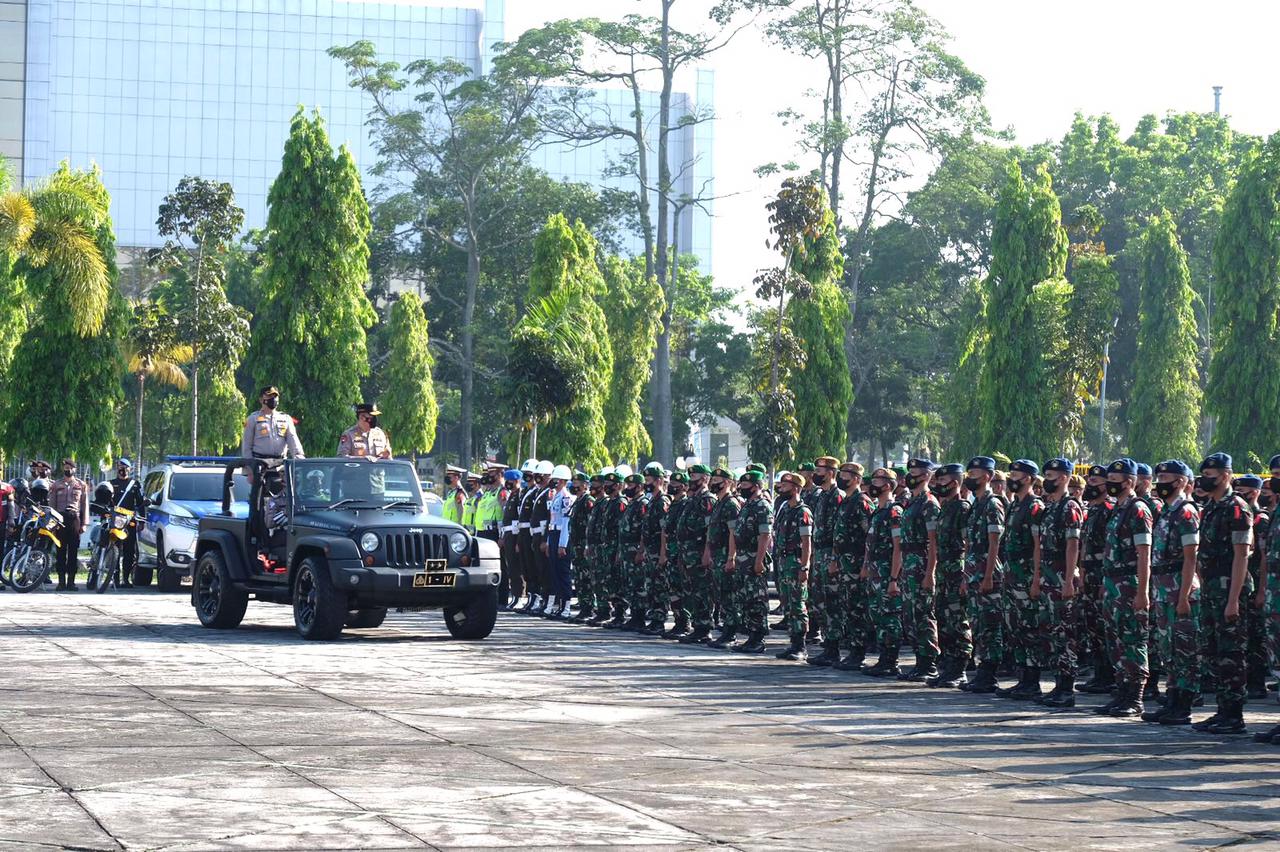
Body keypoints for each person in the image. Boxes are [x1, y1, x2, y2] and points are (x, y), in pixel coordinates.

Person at [1192, 453, 1252, 734]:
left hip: (1230, 589)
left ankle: (1234, 714)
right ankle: (1222, 710)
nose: (1206, 478)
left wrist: (1233, 600)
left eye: (1211, 473)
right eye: (1204, 473)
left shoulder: (1237, 508)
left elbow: (1242, 557)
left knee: (1231, 653)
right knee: (1214, 651)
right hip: (1212, 589)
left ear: (1227, 475)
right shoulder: (1211, 507)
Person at [1092, 458, 1153, 718]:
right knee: (1114, 640)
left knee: (1132, 639)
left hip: (1130, 583)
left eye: (1114, 481)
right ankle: (1121, 692)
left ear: (1129, 482)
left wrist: (1142, 592)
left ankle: (1135, 697)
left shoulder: (1138, 509)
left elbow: (1144, 553)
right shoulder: (1117, 509)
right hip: (1113, 581)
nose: (1109, 485)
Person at [1142, 460, 1201, 726]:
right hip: (1163, 586)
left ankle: (1183, 705)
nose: (1160, 481)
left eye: (1165, 477)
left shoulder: (1186, 512)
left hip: (1180, 587)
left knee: (1184, 649)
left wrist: (1184, 595)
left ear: (1180, 481)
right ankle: (1173, 699)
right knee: (1168, 647)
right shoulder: (1166, 512)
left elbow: (1191, 558)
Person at [1033, 458, 1083, 707]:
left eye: (1051, 475)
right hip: (1047, 575)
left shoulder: (1070, 507)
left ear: (1064, 478)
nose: (1047, 480)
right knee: (1050, 632)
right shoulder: (1050, 507)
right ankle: (1057, 684)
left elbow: (1073, 545)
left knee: (1064, 632)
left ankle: (1067, 688)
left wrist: (1069, 580)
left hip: (1062, 575)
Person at [995, 459, 1046, 701]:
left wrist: (1036, 578)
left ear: (1028, 478)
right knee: (1014, 626)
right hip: (1012, 573)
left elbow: (1038, 547)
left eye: (1015, 474)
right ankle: (1022, 678)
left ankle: (1032, 680)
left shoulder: (1035, 507)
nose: (1011, 478)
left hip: (1026, 574)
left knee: (1029, 627)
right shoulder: (1015, 506)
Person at [960, 457, 1006, 694]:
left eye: (975, 473)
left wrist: (988, 575)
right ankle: (981, 671)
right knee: (977, 621)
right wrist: (966, 575)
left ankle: (989, 673)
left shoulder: (992, 504)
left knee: (989, 623)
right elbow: (969, 543)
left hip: (987, 569)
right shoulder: (976, 504)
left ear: (987, 476)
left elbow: (994, 543)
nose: (970, 477)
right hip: (974, 569)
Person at [825, 462, 873, 671]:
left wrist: (865, 565)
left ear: (856, 478)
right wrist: (835, 559)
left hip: (856, 562)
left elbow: (868, 538)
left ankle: (858, 652)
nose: (842, 477)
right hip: (844, 562)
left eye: (846, 474)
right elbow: (839, 536)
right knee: (846, 606)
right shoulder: (846, 501)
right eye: (841, 473)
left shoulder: (862, 502)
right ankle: (850, 650)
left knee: (857, 608)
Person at [897, 457, 941, 682]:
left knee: (923, 615)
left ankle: (928, 663)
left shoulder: (929, 503)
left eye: (914, 472)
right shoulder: (911, 502)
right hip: (909, 563)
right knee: (910, 615)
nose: (909, 476)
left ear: (925, 476)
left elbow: (933, 541)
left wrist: (930, 572)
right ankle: (918, 661)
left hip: (922, 564)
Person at [928, 463, 972, 688]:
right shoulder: (945, 507)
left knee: (958, 620)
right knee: (944, 619)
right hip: (945, 570)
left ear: (955, 483)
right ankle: (947, 666)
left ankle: (960, 668)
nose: (937, 485)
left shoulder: (962, 508)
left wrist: (966, 576)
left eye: (942, 481)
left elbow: (968, 544)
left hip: (957, 570)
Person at [862, 468, 904, 677]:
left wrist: (894, 579)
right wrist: (866, 568)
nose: (872, 484)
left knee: (889, 617)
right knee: (877, 615)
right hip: (875, 572)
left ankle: (891, 660)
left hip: (888, 573)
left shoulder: (894, 511)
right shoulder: (878, 511)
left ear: (887, 485)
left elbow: (898, 547)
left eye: (877, 481)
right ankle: (883, 658)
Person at [726, 468, 773, 654]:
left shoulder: (762, 506)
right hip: (744, 557)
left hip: (754, 556)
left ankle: (758, 638)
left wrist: (759, 560)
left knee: (756, 599)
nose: (741, 487)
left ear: (755, 487)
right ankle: (750, 636)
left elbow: (764, 535)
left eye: (745, 485)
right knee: (745, 597)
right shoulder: (746, 505)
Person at [772, 471, 813, 661]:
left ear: (796, 488)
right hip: (783, 562)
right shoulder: (785, 509)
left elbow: (807, 542)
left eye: (785, 486)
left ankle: (800, 646)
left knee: (798, 605)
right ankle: (793, 642)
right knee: (788, 605)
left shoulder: (803, 512)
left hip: (796, 563)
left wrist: (805, 567)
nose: (781, 489)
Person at [807, 457, 844, 664]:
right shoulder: (822, 495)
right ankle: (828, 644)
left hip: (830, 552)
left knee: (831, 601)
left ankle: (833, 647)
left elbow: (838, 531)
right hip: (819, 553)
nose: (816, 473)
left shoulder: (836, 496)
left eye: (820, 470)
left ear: (830, 472)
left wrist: (835, 558)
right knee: (818, 601)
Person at [677, 465, 717, 644]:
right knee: (691, 590)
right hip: (688, 552)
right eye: (690, 476)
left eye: (695, 476)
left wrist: (707, 552)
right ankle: (697, 626)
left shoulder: (707, 500)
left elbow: (710, 529)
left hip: (700, 552)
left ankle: (704, 627)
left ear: (705, 479)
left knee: (702, 590)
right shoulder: (692, 500)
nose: (691, 479)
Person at [705, 467, 743, 648]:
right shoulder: (719, 503)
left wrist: (731, 557)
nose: (713, 483)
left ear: (728, 483)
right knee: (720, 594)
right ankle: (726, 630)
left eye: (717, 480)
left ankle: (730, 633)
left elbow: (733, 533)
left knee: (729, 595)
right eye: (712, 479)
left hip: (725, 554)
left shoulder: (730, 504)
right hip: (717, 554)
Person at [49, 459, 89, 591]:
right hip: (60, 520)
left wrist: (84, 523)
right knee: (60, 552)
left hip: (74, 519)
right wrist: (53, 524)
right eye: (66, 467)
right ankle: (61, 582)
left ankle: (71, 582)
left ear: (75, 469)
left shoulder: (81, 485)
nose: (68, 469)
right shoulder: (56, 485)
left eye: (70, 467)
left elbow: (84, 505)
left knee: (73, 551)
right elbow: (52, 505)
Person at [660, 471, 691, 638]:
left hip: (681, 553)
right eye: (671, 484)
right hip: (672, 552)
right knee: (673, 589)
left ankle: (684, 623)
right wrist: (664, 552)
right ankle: (678, 622)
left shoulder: (686, 504)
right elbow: (666, 531)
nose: (672, 487)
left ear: (685, 487)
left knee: (682, 589)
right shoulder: (673, 504)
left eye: (676, 485)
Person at [107, 458, 145, 587]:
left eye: (125, 466)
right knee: (114, 549)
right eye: (119, 466)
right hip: (115, 521)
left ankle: (126, 579)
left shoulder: (135, 484)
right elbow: (106, 502)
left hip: (130, 521)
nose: (122, 469)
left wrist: (142, 520)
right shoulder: (111, 484)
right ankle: (115, 579)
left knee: (129, 551)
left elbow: (140, 503)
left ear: (130, 469)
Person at [241, 386, 305, 462]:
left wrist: (300, 461)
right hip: (259, 465)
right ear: (261, 400)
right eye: (269, 396)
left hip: (280, 465)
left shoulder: (286, 419)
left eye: (275, 396)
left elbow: (294, 441)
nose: (273, 399)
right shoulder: (252, 419)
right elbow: (246, 446)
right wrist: (249, 467)